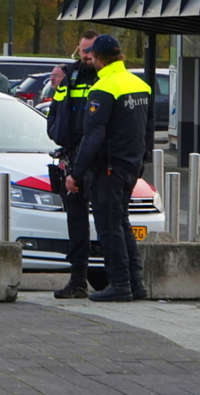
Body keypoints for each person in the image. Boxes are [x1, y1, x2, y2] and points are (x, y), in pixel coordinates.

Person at [66, 34, 155, 302]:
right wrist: (142, 161)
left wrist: (76, 173)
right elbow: (148, 130)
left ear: (98, 58)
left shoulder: (104, 87)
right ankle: (136, 282)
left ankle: (119, 284)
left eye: (91, 56)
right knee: (121, 222)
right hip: (131, 166)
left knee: (108, 226)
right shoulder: (140, 85)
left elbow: (93, 136)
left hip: (108, 168)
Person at [45, 30, 99, 299]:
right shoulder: (69, 78)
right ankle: (78, 279)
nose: (87, 55)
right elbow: (55, 112)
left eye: (91, 50)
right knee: (76, 223)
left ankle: (118, 280)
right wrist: (57, 133)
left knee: (108, 222)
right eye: (83, 50)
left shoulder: (105, 79)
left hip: (99, 161)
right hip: (72, 158)